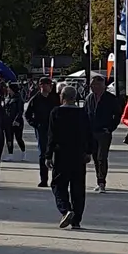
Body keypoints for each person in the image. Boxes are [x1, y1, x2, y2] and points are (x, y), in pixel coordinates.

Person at [48, 86, 94, 227]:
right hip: (79, 154)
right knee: (78, 188)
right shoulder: (82, 113)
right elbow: (89, 134)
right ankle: (76, 220)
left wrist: (48, 155)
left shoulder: (56, 112)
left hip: (62, 154)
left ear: (62, 97)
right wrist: (89, 152)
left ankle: (65, 210)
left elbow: (51, 135)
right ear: (75, 97)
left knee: (58, 184)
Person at [85, 75, 121, 193]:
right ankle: (98, 179)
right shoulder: (89, 98)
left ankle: (102, 182)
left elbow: (117, 114)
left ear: (101, 85)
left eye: (94, 84)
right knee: (95, 157)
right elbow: (85, 113)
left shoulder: (110, 98)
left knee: (102, 157)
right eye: (91, 85)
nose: (91, 87)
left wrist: (110, 128)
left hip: (104, 132)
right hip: (91, 132)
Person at [25, 78, 60, 189]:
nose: (50, 87)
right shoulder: (35, 99)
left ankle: (56, 179)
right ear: (42, 86)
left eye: (50, 85)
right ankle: (43, 179)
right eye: (48, 85)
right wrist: (36, 124)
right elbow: (28, 114)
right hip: (42, 130)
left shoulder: (55, 99)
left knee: (56, 153)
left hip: (55, 129)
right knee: (43, 155)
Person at [1, 84, 27, 162]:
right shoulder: (7, 98)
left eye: (9, 88)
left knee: (18, 138)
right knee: (9, 138)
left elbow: (20, 111)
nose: (8, 89)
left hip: (17, 121)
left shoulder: (19, 98)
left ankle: (23, 153)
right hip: (8, 121)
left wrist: (16, 120)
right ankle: (10, 154)